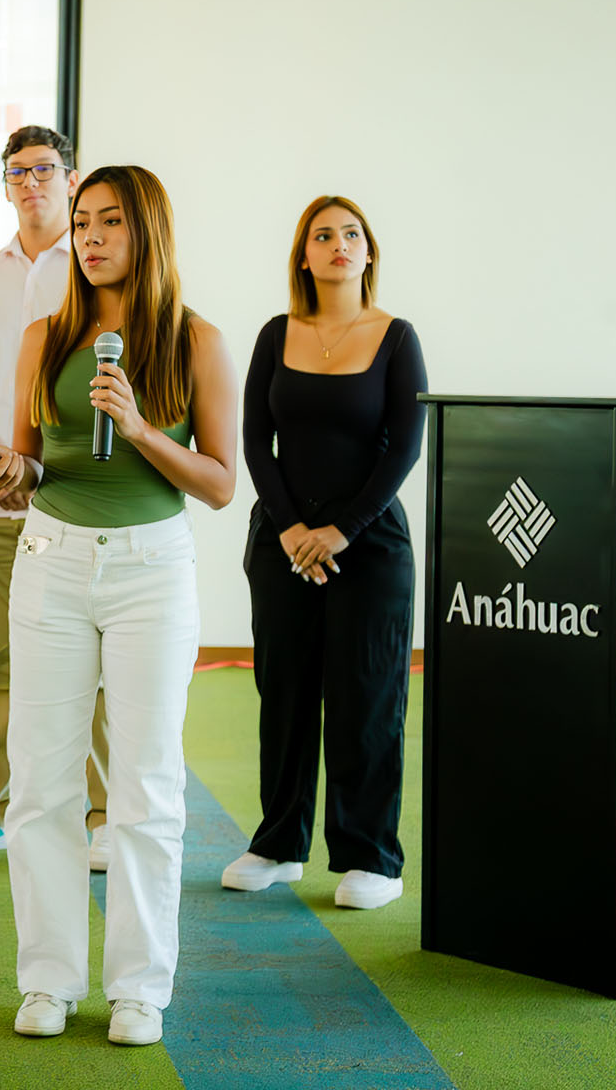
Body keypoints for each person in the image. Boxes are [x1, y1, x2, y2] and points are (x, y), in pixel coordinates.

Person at [0, 166, 238, 1047]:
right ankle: (48, 979)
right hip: (50, 561)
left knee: (145, 786)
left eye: (109, 222)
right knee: (41, 785)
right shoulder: (45, 337)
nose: (89, 238)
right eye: (81, 223)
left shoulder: (195, 341)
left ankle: (138, 987)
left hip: (151, 571)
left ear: (148, 232)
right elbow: (29, 464)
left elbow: (220, 484)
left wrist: (137, 430)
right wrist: (14, 472)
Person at [224, 195, 427, 911]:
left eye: (351, 234)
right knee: (282, 695)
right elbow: (253, 439)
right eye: (322, 235)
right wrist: (289, 530)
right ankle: (278, 845)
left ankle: (370, 855)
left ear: (368, 252)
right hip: (281, 543)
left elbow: (404, 445)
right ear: (303, 256)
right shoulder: (275, 333)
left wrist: (340, 531)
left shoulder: (397, 338)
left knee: (366, 699)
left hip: (368, 549)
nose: (339, 244)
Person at [0, 125, 114, 866]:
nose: (30, 181)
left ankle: (103, 816)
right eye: (16, 172)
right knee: (2, 665)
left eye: (44, 169)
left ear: (71, 179)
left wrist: (34, 464)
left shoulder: (97, 271)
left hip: (73, 494)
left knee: (94, 663)